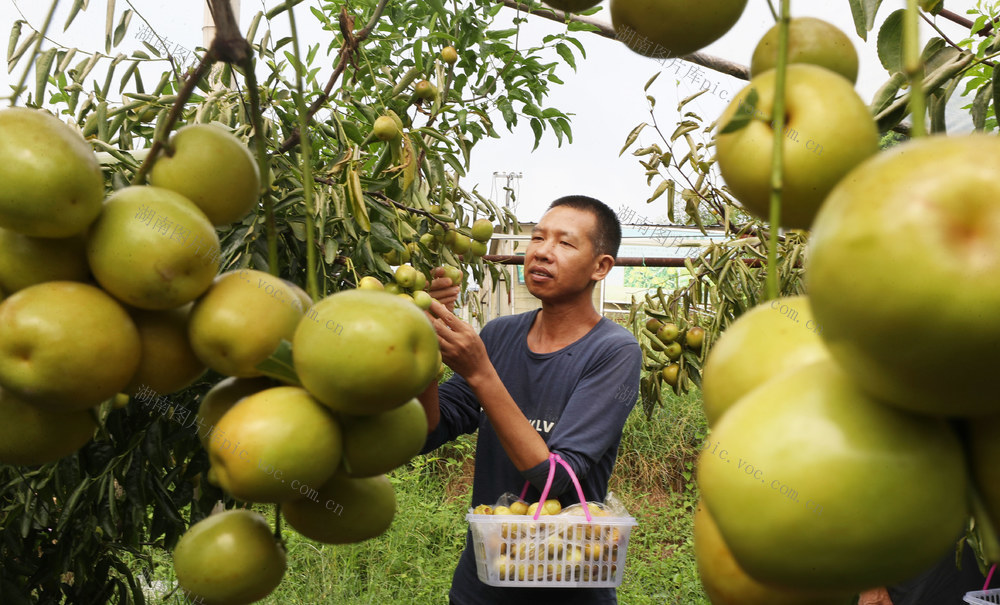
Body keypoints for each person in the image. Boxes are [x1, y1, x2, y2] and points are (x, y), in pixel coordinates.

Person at [419, 195, 642, 605]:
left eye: (564, 243)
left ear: (601, 266)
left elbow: (554, 478)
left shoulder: (614, 351)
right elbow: (431, 428)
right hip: (484, 580)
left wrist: (481, 373)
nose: (541, 251)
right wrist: (424, 339)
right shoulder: (500, 335)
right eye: (537, 237)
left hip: (568, 581)